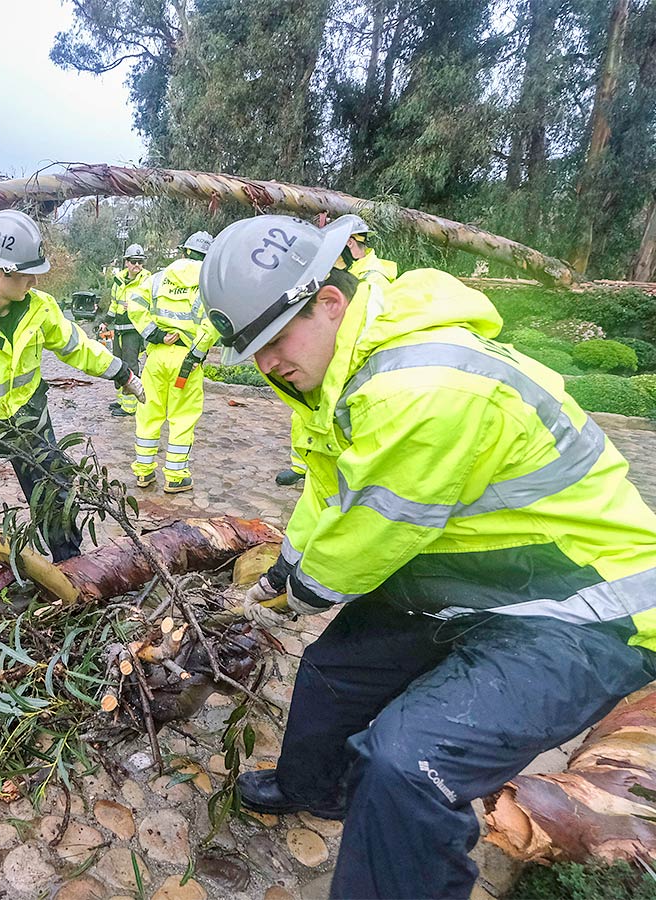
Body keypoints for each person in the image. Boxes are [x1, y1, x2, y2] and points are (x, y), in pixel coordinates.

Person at [198, 214, 656, 900]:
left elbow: (366, 542)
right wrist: (284, 567)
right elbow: (328, 495)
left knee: (409, 763)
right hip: (471, 576)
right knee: (331, 670)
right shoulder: (332, 376)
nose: (266, 364)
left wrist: (296, 596)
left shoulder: (420, 387)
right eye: (252, 350)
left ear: (329, 302)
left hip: (579, 603)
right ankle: (313, 787)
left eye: (274, 340)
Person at [0, 209, 146, 598]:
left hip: (30, 422)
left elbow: (77, 348)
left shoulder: (40, 310)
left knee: (55, 495)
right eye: (27, 273)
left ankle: (72, 572)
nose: (35, 280)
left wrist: (122, 373)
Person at [275, 214, 399, 487]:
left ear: (352, 244)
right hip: (329, 362)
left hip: (350, 368)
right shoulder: (348, 273)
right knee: (305, 414)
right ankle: (303, 466)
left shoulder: (373, 278)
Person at [128, 231, 218, 493]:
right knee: (182, 417)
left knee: (148, 412)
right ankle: (176, 477)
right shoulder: (209, 282)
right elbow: (212, 322)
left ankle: (144, 473)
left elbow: (133, 302)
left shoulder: (159, 278)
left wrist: (153, 333)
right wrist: (197, 354)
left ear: (185, 252)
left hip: (156, 355)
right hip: (186, 359)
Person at [107, 244, 152, 416]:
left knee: (131, 365)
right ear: (126, 262)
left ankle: (130, 406)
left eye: (140, 262)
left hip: (134, 331)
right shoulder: (119, 281)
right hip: (119, 329)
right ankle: (121, 400)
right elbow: (114, 303)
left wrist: (133, 306)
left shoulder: (147, 281)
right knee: (118, 364)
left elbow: (150, 304)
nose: (137, 266)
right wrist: (106, 321)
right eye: (134, 261)